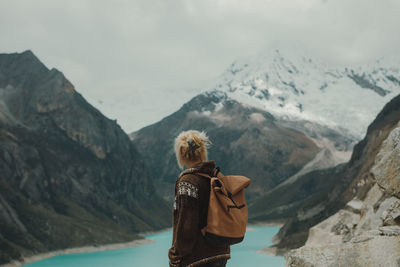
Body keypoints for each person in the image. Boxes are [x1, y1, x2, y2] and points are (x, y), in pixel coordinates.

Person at [168, 130, 230, 267]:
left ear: (181, 154)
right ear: (203, 152)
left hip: (196, 258)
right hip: (220, 252)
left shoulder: (187, 182)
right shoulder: (216, 176)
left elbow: (186, 224)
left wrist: (175, 256)